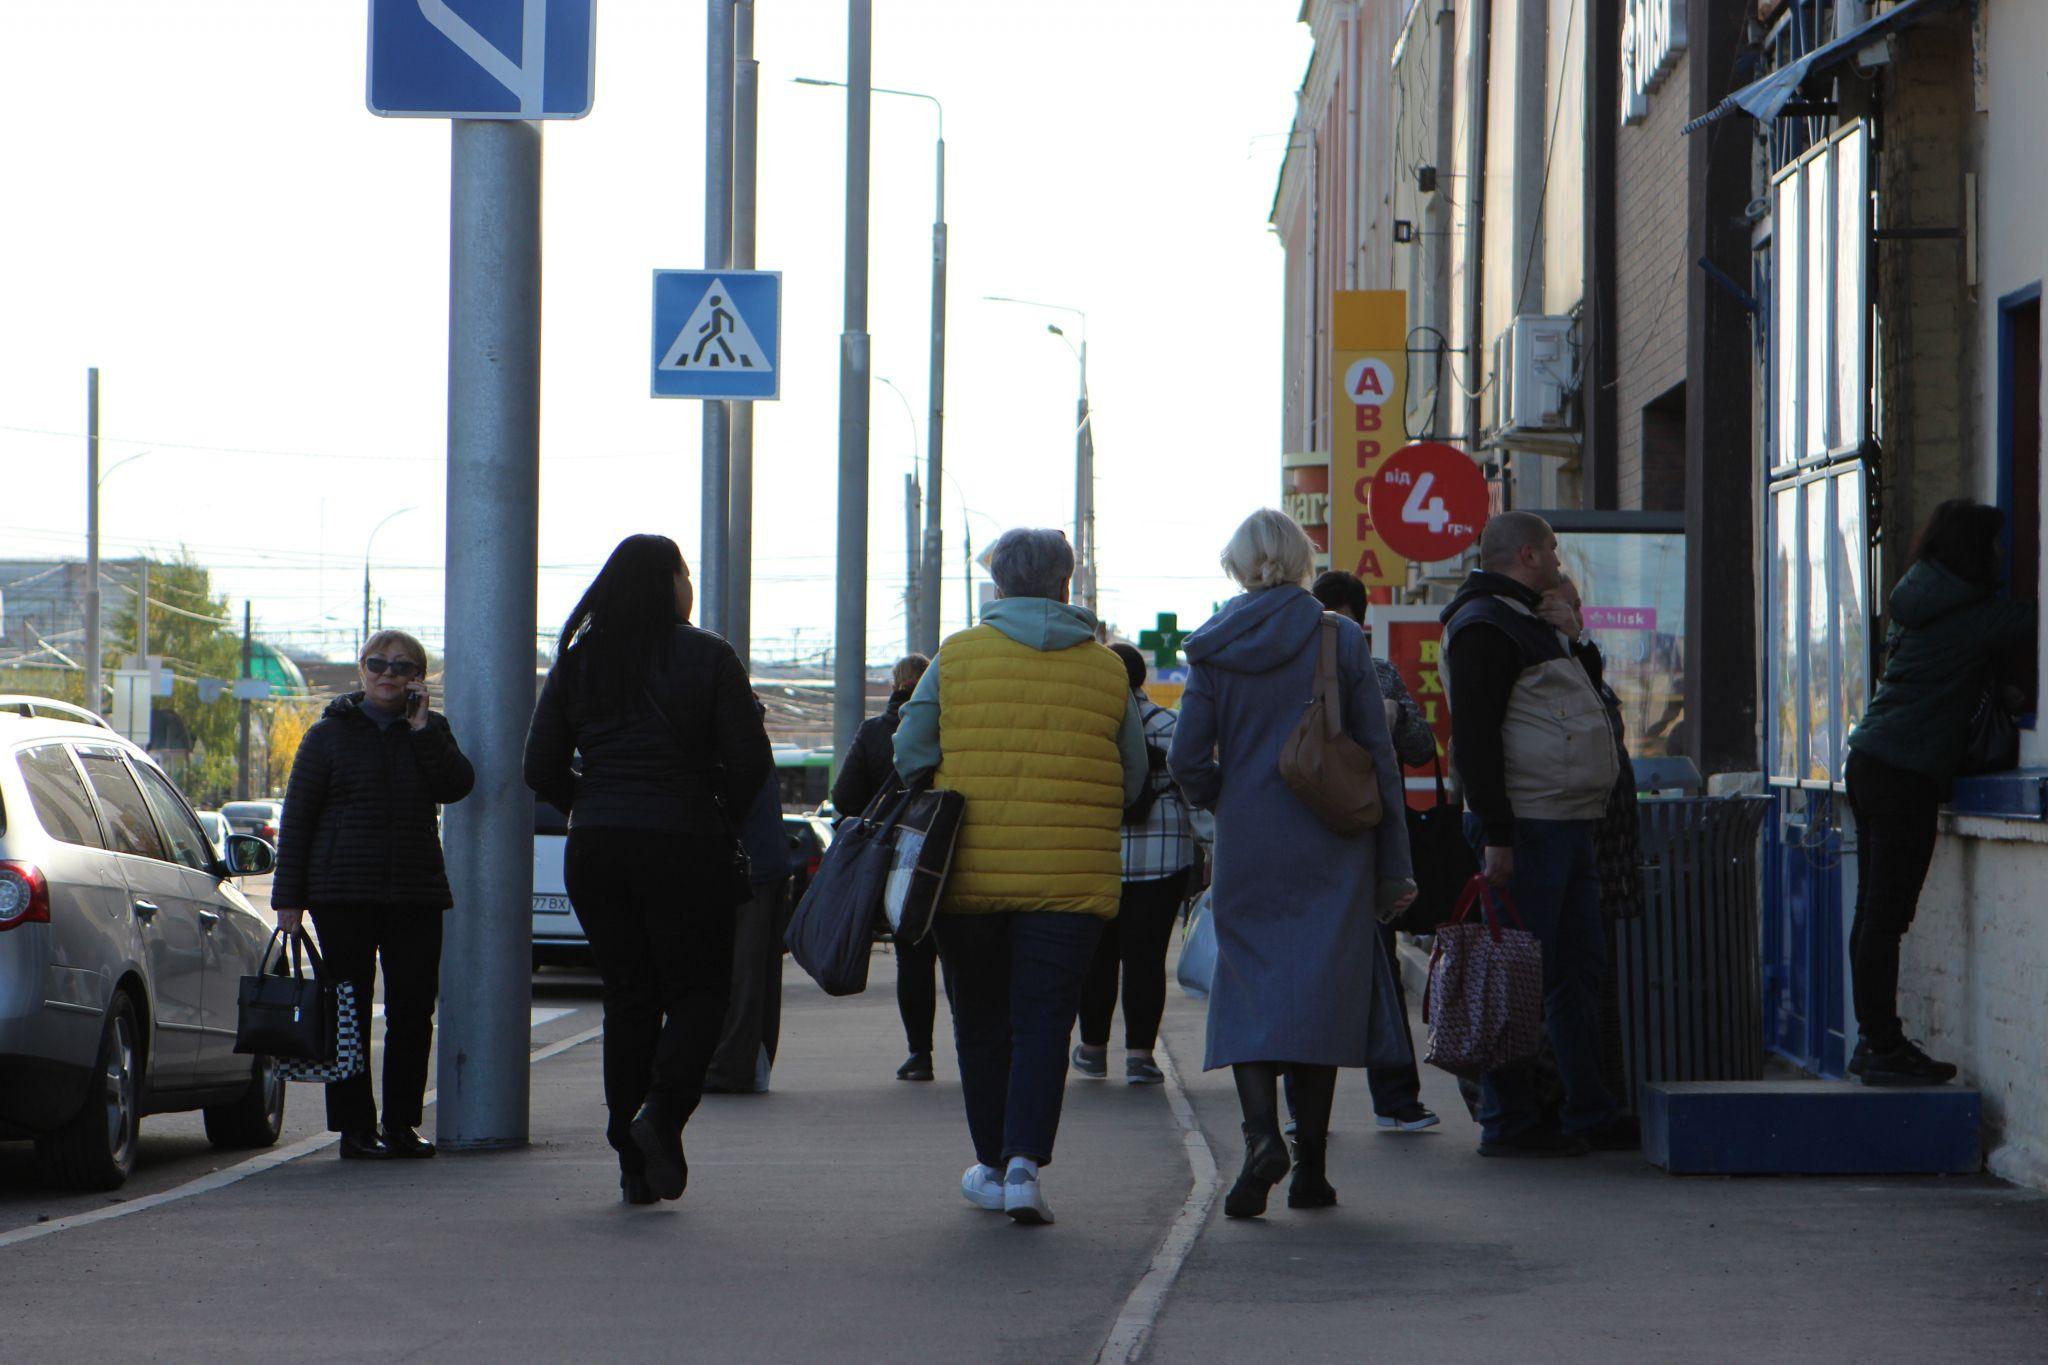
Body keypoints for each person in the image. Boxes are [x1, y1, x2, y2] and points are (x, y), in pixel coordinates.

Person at [893, 528, 1149, 1225]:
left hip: (966, 876)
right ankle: (1024, 1164)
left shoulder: (959, 654)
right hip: (1070, 883)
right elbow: (1133, 777)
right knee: (1044, 1024)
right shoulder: (1105, 669)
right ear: (1065, 584)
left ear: (998, 585)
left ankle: (990, 1163)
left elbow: (911, 748)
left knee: (979, 1022)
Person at [1169, 510, 1415, 1218]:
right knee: (1318, 993)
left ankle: (1259, 1138)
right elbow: (1380, 760)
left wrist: (1231, 798)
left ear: (1241, 565)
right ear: (1303, 559)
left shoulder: (1212, 646)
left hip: (1251, 843)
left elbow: (1187, 758)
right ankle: (1311, 1168)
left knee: (1247, 987)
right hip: (1334, 843)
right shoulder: (1338, 637)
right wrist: (1394, 866)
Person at [524, 534, 772, 1205]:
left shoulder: (580, 662)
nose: (690, 585)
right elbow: (751, 764)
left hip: (598, 848)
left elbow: (538, 767)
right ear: (668, 583)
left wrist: (595, 803)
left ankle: (632, 1164)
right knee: (698, 994)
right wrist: (713, 807)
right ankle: (660, 1117)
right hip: (685, 844)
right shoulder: (709, 655)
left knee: (630, 997)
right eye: (684, 573)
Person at [1441, 511, 1630, 1157]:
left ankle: (1588, 1109)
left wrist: (1574, 636)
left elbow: (1583, 698)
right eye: (1551, 549)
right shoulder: (1483, 626)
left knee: (1578, 970)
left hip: (1565, 821)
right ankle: (1511, 1120)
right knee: (1518, 976)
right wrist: (1496, 833)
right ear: (1525, 554)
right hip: (1525, 826)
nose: (1558, 559)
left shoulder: (1531, 620)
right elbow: (1474, 740)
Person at [1845, 500, 2036, 1086]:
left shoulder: (1918, 597)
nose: (2002, 557)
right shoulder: (1971, 618)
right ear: (1975, 551)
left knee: (1871, 915)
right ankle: (1883, 1046)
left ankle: (1871, 1042)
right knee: (1886, 917)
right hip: (1904, 773)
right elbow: (2035, 619)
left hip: (1871, 760)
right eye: (1995, 546)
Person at [273, 629, 475, 1161]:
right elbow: (297, 820)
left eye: (403, 667)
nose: (389, 674)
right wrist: (288, 899)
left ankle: (402, 1126)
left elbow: (457, 786)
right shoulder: (328, 736)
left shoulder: (432, 730)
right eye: (378, 664)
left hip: (416, 892)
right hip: (343, 894)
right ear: (361, 669)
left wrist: (422, 730)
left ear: (418, 678)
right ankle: (354, 1130)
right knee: (348, 1013)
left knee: (412, 1013)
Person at [1307, 568, 1440, 1133]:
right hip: (1355, 841)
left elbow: (1418, 746)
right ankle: (1391, 1102)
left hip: (1323, 842)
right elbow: (1420, 747)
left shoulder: (1326, 673)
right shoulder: (1369, 673)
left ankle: (1312, 1113)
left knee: (1332, 971)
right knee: (1371, 970)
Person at [1074, 643, 1197, 1086]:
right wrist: (1211, 847)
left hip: (1096, 855)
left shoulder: (1088, 728)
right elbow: (1195, 792)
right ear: (1142, 678)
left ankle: (1092, 1049)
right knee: (1147, 958)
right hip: (1163, 859)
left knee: (1096, 958)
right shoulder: (1171, 725)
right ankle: (1141, 1056)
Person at [831, 653, 939, 1082]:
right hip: (947, 850)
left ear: (896, 684)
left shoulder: (876, 731)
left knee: (912, 957)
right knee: (965, 956)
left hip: (897, 861)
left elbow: (843, 798)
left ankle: (920, 1054)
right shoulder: (947, 727)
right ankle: (980, 1050)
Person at [703, 759, 795, 1095]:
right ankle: (750, 1065)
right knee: (756, 976)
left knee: (740, 974)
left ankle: (726, 1069)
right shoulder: (746, 725)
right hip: (763, 862)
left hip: (742, 866)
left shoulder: (727, 728)